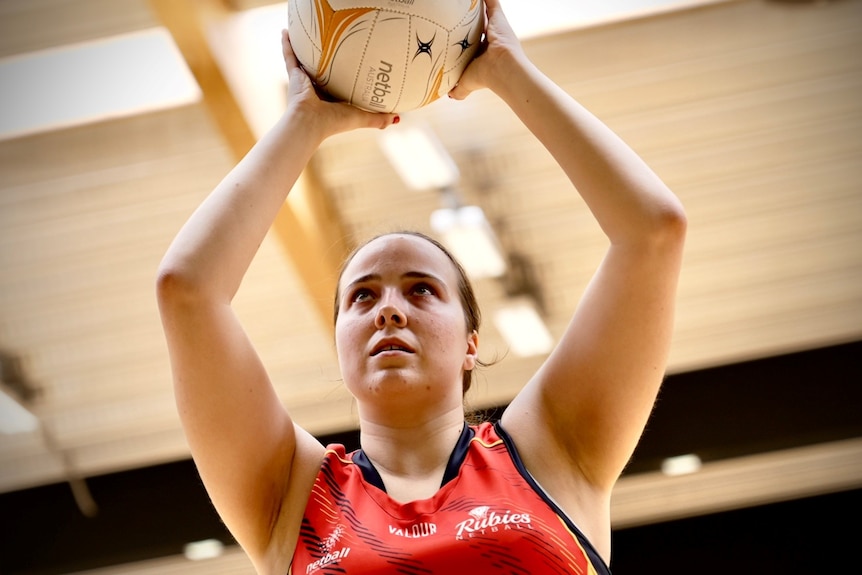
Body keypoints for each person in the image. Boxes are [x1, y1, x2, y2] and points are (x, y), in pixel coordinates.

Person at [156, 1, 687, 573]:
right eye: (362, 296)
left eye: (420, 290)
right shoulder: (292, 495)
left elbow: (653, 233)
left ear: (470, 343)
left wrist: (508, 70)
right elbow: (187, 291)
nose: (388, 311)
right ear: (338, 340)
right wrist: (302, 123)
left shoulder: (551, 450)